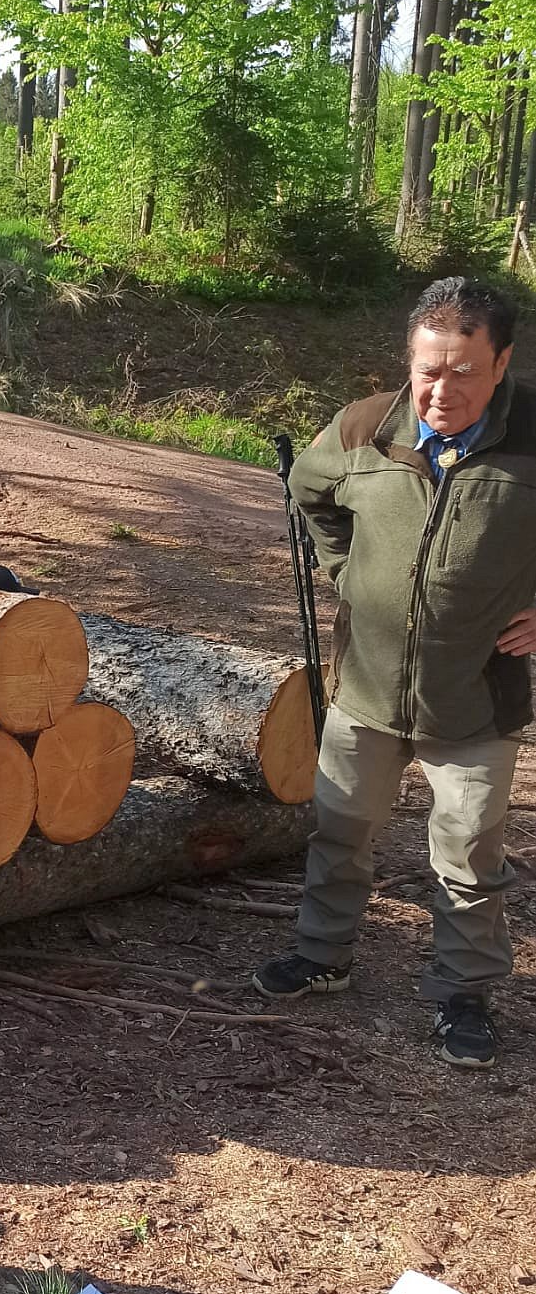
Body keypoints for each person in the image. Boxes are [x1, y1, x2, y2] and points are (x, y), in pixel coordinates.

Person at [255, 277, 536, 1069]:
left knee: (468, 850)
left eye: (463, 372)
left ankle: (461, 994)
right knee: (339, 829)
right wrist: (345, 569)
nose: (440, 391)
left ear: (501, 363)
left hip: (477, 694)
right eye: (426, 371)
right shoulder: (364, 427)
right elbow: (308, 491)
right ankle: (322, 957)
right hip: (367, 684)